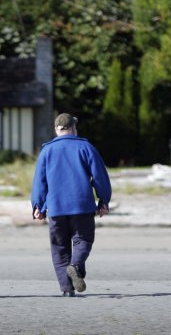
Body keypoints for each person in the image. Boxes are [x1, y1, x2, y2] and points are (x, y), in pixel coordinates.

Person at [30, 113, 112, 297]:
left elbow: (39, 182)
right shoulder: (86, 147)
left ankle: (67, 289)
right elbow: (100, 177)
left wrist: (38, 206)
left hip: (56, 207)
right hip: (82, 206)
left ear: (56, 129)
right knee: (83, 240)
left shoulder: (47, 151)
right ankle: (75, 266)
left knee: (59, 248)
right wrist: (103, 200)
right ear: (74, 127)